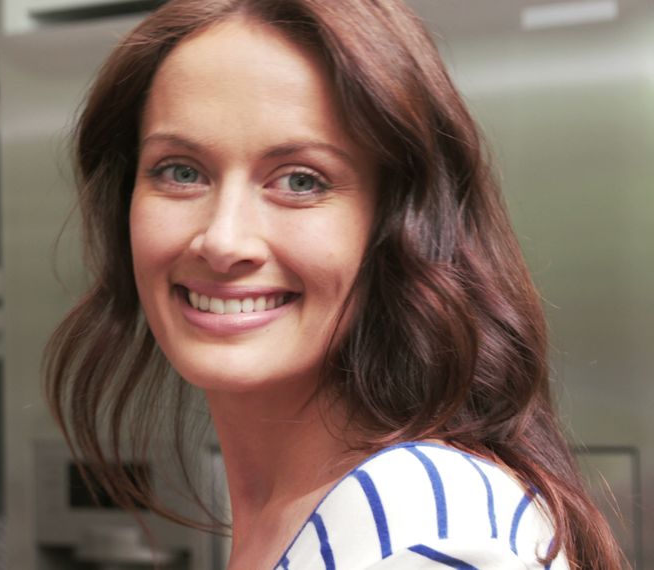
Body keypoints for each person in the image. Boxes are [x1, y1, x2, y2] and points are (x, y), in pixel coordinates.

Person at [44, 0, 626, 568]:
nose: (222, 241)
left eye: (300, 180)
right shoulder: (307, 511)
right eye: (181, 171)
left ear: (398, 225)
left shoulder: (422, 537)